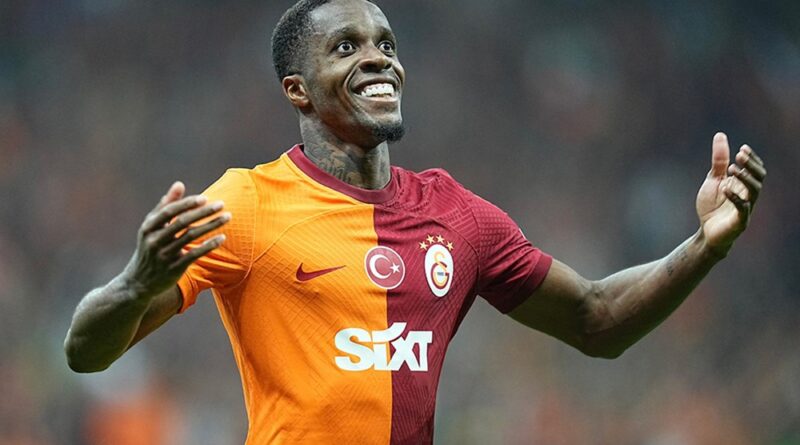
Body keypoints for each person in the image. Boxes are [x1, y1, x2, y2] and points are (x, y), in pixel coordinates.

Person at [63, 0, 767, 443]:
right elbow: (85, 352)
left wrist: (703, 247)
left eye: (386, 43)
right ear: (297, 90)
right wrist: (136, 282)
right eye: (346, 47)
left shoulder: (457, 215)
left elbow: (596, 318)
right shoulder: (247, 202)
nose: (378, 57)